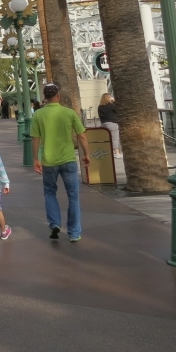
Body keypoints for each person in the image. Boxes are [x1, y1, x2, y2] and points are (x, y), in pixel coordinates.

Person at [31, 82, 90, 242]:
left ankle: (55, 224)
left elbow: (35, 138)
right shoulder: (69, 113)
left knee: (50, 192)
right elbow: (82, 135)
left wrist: (36, 158)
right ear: (58, 96)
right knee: (73, 196)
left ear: (45, 97)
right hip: (68, 160)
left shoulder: (38, 115)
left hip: (49, 161)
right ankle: (74, 232)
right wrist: (86, 154)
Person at [97, 93, 122, 157]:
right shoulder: (111, 105)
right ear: (108, 98)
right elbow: (117, 111)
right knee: (114, 138)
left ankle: (109, 152)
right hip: (112, 123)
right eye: (110, 97)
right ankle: (116, 152)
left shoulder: (100, 107)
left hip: (103, 124)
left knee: (107, 138)